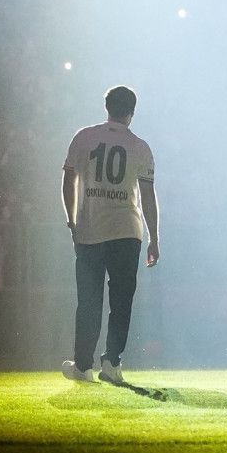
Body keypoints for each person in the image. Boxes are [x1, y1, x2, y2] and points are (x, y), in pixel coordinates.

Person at [60, 85, 159, 385]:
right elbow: (147, 197)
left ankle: (82, 366)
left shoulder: (84, 137)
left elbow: (67, 180)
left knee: (89, 299)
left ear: (107, 107)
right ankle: (112, 362)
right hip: (127, 232)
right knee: (121, 300)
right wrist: (154, 237)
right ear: (131, 112)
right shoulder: (140, 146)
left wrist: (72, 222)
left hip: (90, 229)